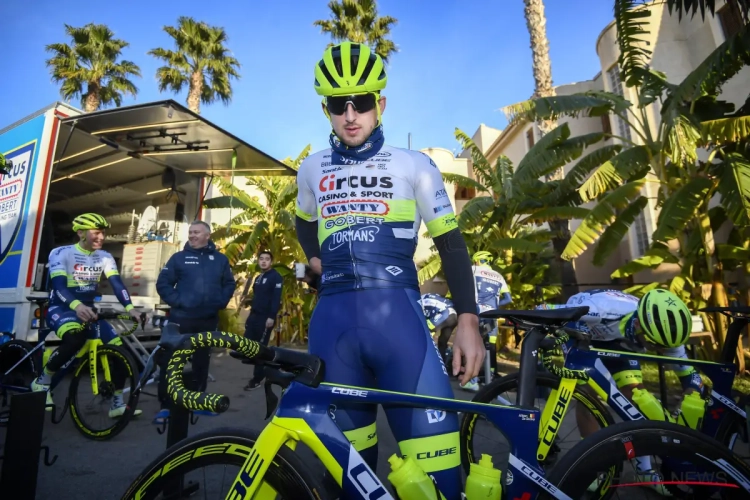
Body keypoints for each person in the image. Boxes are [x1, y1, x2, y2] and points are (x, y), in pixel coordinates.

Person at [295, 41, 484, 500]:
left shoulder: (414, 165)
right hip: (333, 332)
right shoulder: (311, 168)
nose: (350, 115)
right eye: (338, 105)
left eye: (361, 102)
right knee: (346, 486)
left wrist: (468, 320)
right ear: (325, 110)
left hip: (401, 328)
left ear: (380, 104)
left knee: (439, 485)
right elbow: (303, 223)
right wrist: (317, 259)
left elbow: (451, 244)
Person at [537, 288, 696, 495]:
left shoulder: (666, 335)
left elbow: (690, 378)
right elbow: (544, 308)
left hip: (620, 340)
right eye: (654, 344)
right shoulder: (601, 309)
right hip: (583, 328)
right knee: (588, 395)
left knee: (636, 395)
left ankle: (644, 471)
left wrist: (692, 400)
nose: (660, 351)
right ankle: (592, 465)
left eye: (664, 348)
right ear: (638, 324)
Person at [30, 213, 143, 418]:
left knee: (121, 354)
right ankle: (42, 381)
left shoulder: (105, 256)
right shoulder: (61, 253)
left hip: (89, 311)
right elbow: (59, 287)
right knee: (75, 339)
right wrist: (77, 306)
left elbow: (117, 284)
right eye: (96, 233)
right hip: (62, 308)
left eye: (103, 233)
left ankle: (116, 404)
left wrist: (130, 308)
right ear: (81, 233)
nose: (102, 237)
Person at [153, 220, 235, 424]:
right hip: (181, 319)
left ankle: (198, 401)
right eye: (190, 232)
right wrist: (178, 301)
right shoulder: (179, 258)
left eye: (196, 232)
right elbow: (163, 283)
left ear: (207, 235)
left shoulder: (220, 260)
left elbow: (229, 283)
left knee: (201, 362)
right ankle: (166, 406)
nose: (192, 235)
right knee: (172, 362)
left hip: (207, 319)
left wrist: (221, 301)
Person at [461, 251, 513, 391]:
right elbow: (508, 299)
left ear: (477, 261)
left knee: (472, 344)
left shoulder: (473, 270)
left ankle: (472, 380)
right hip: (493, 315)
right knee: (490, 347)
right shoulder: (498, 276)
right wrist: (494, 306)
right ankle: (489, 379)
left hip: (477, 312)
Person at [240, 250, 283, 390]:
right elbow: (257, 298)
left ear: (271, 262)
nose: (264, 261)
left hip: (266, 318)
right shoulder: (258, 277)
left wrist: (271, 316)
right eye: (261, 259)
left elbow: (276, 299)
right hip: (254, 316)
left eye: (267, 259)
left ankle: (257, 379)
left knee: (260, 348)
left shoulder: (276, 277)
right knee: (246, 344)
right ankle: (268, 366)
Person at [419, 292, 457, 365]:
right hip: (453, 315)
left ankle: (426, 362)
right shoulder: (423, 298)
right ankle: (442, 365)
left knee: (425, 335)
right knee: (442, 342)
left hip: (445, 313)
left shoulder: (417, 304)